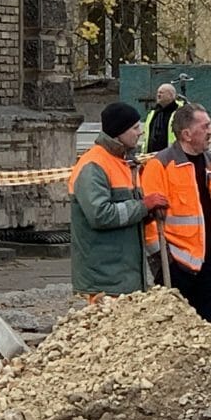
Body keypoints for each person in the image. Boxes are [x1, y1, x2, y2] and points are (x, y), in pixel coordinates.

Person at [141, 103, 211, 323]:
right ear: (186, 134)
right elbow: (148, 218)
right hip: (177, 264)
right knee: (177, 328)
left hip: (210, 259)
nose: (210, 131)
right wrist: (161, 256)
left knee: (208, 325)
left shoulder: (210, 163)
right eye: (204, 127)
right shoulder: (161, 165)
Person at [69, 102, 169, 300]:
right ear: (118, 132)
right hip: (104, 278)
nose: (139, 132)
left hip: (122, 274)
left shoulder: (124, 163)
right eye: (134, 128)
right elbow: (100, 215)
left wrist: (148, 212)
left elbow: (127, 215)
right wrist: (143, 206)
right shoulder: (93, 166)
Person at [143, 83, 184, 154]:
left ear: (171, 95)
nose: (158, 95)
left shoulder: (180, 112)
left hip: (172, 155)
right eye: (158, 93)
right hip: (151, 156)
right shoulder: (153, 113)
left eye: (161, 93)